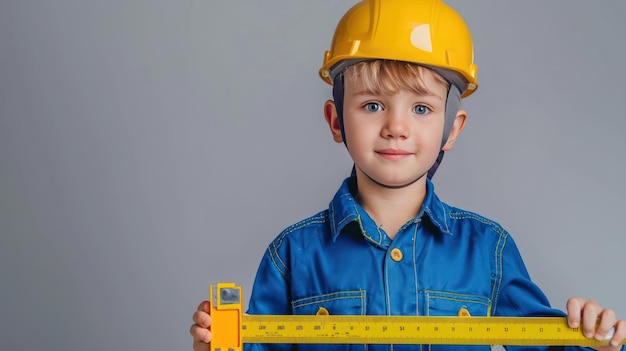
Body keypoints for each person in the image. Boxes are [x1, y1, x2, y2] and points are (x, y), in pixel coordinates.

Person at [190, 0, 626, 350]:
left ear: (450, 129)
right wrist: (215, 346)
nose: (396, 126)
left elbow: (547, 346)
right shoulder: (293, 255)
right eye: (372, 105)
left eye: (421, 108)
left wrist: (596, 342)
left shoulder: (489, 251)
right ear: (336, 119)